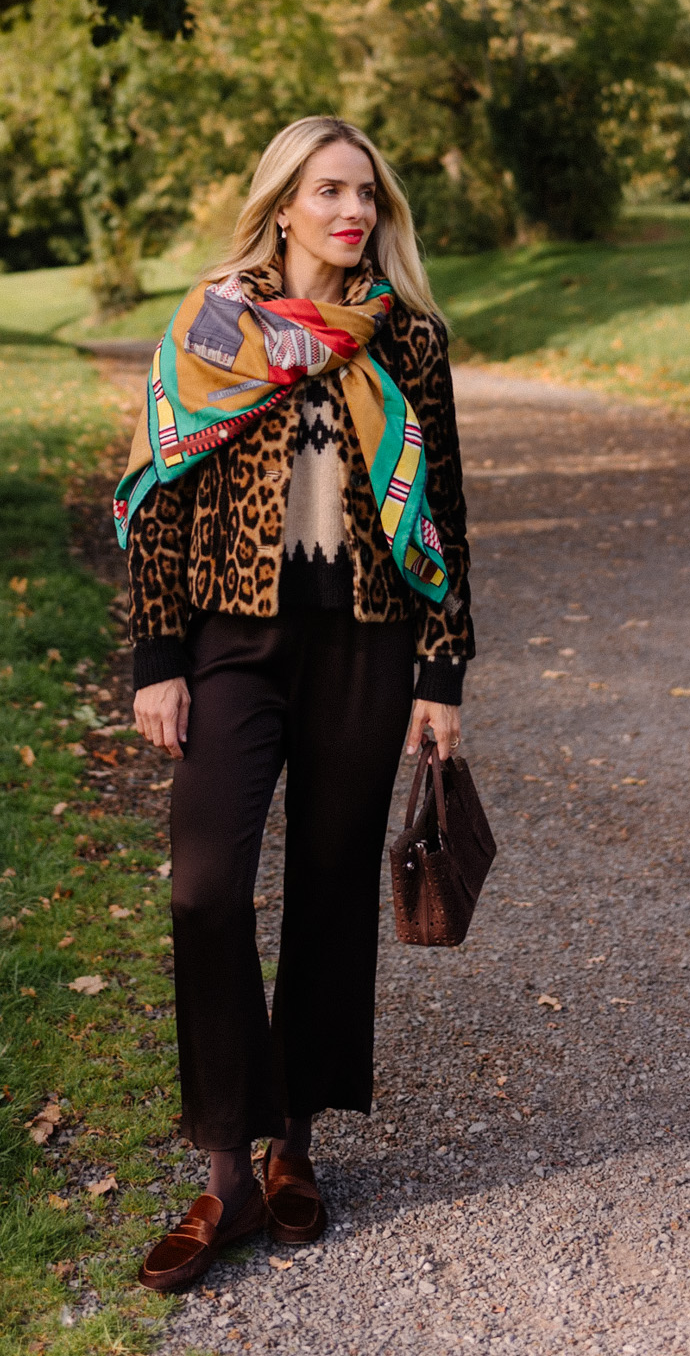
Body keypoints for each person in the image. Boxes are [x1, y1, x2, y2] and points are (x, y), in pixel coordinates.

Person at [116, 116, 472, 1293]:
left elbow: (443, 512)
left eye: (364, 195)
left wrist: (440, 676)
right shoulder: (212, 326)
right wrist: (156, 658)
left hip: (367, 640)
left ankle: (292, 1145)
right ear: (280, 204)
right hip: (231, 638)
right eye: (326, 192)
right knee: (206, 882)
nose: (349, 214)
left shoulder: (404, 337)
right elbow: (160, 498)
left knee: (328, 886)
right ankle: (221, 1166)